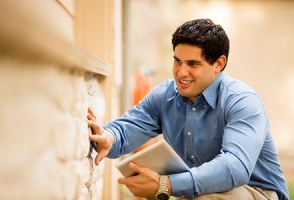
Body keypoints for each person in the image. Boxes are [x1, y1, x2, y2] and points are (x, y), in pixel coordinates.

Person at [87, 19, 289, 200]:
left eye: (193, 63)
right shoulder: (165, 96)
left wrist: (165, 185)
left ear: (219, 64)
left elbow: (234, 167)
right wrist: (109, 137)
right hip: (201, 191)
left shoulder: (243, 101)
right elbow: (129, 127)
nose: (181, 72)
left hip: (257, 192)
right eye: (177, 61)